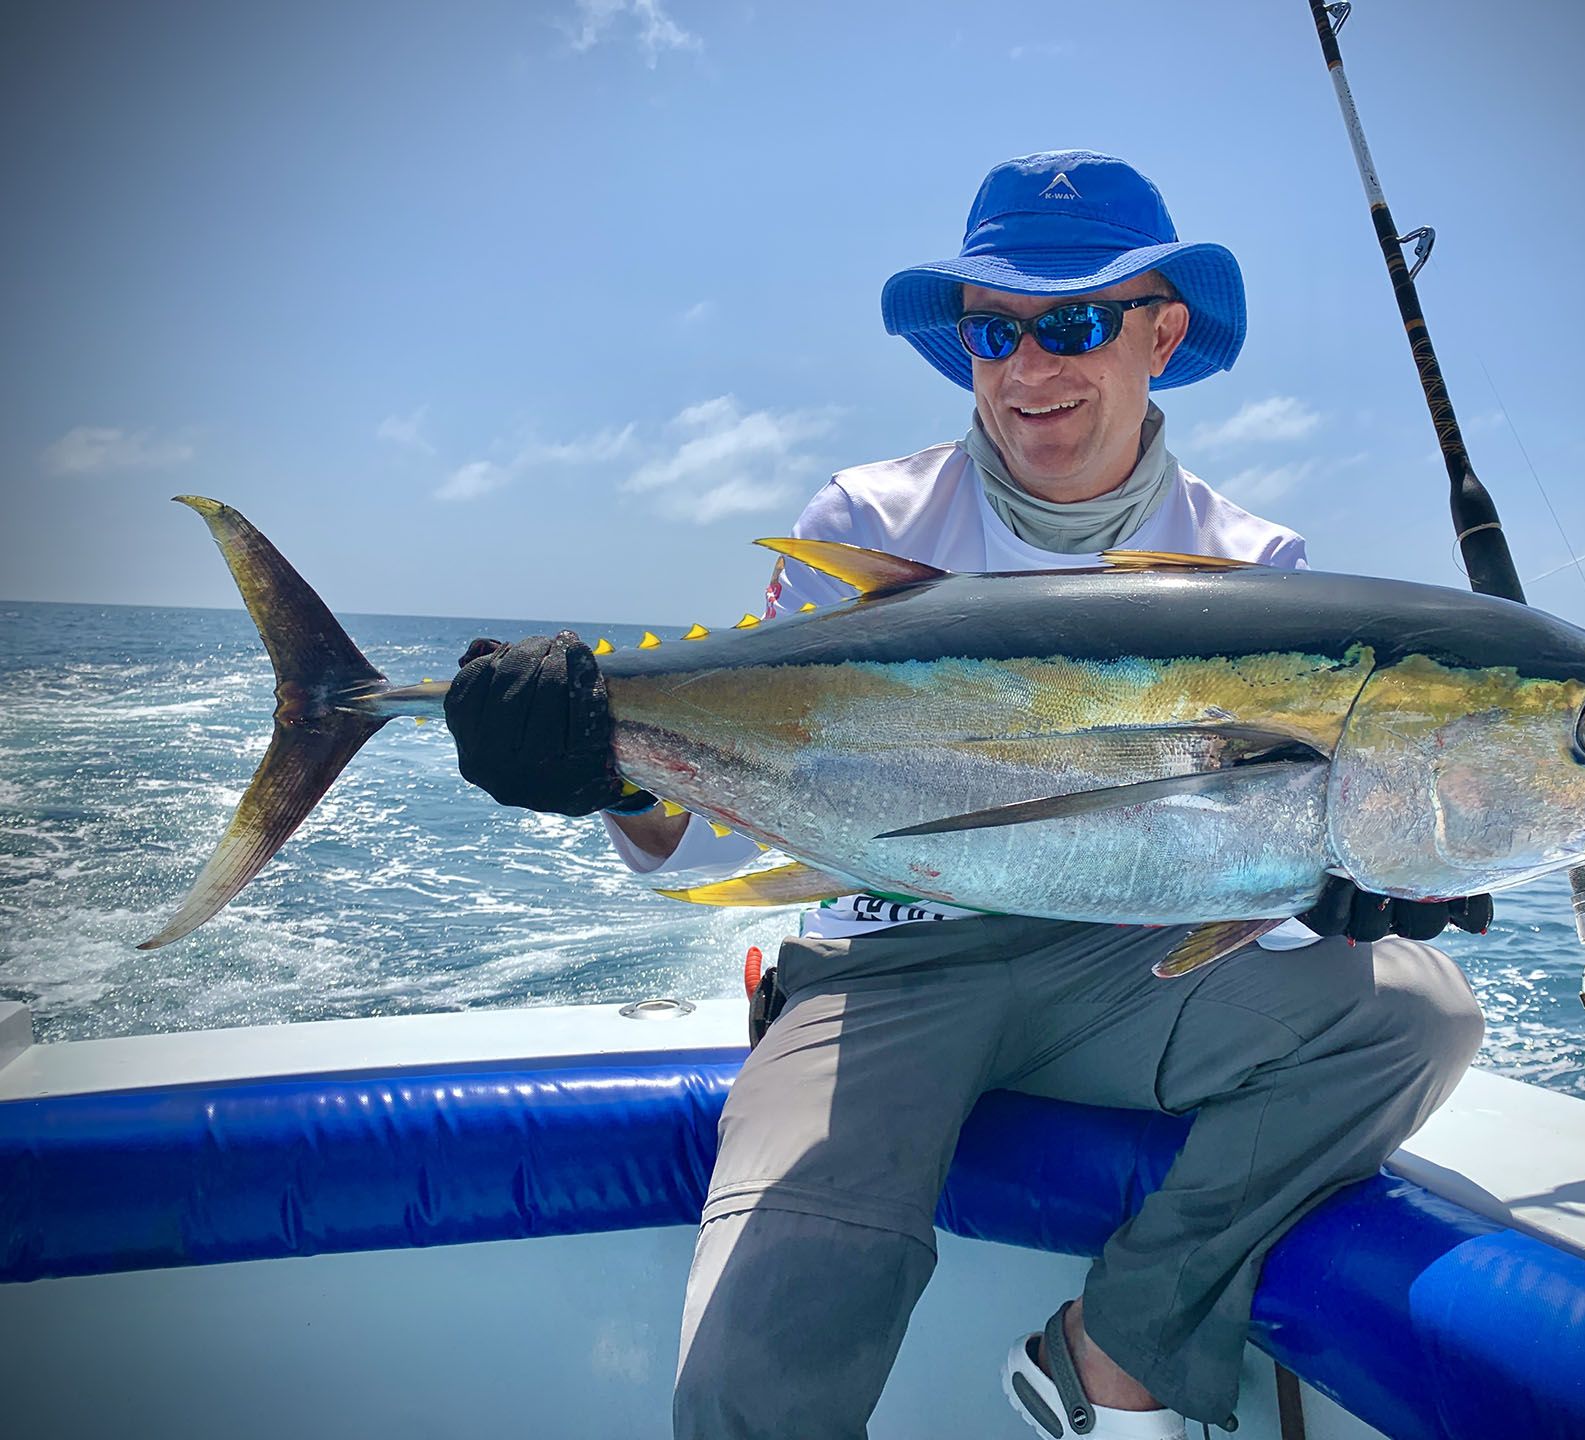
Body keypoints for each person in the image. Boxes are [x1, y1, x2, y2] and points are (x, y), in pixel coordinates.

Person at [446, 151, 1488, 1440]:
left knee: (1412, 1017)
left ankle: (1111, 1350)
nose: (1030, 367)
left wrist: (1344, 886)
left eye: (1077, 323)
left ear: (1160, 335)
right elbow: (713, 835)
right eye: (993, 331)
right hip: (888, 969)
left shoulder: (1253, 566)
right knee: (754, 1363)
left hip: (1132, 965)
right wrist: (600, 769)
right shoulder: (867, 520)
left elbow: (1251, 877)